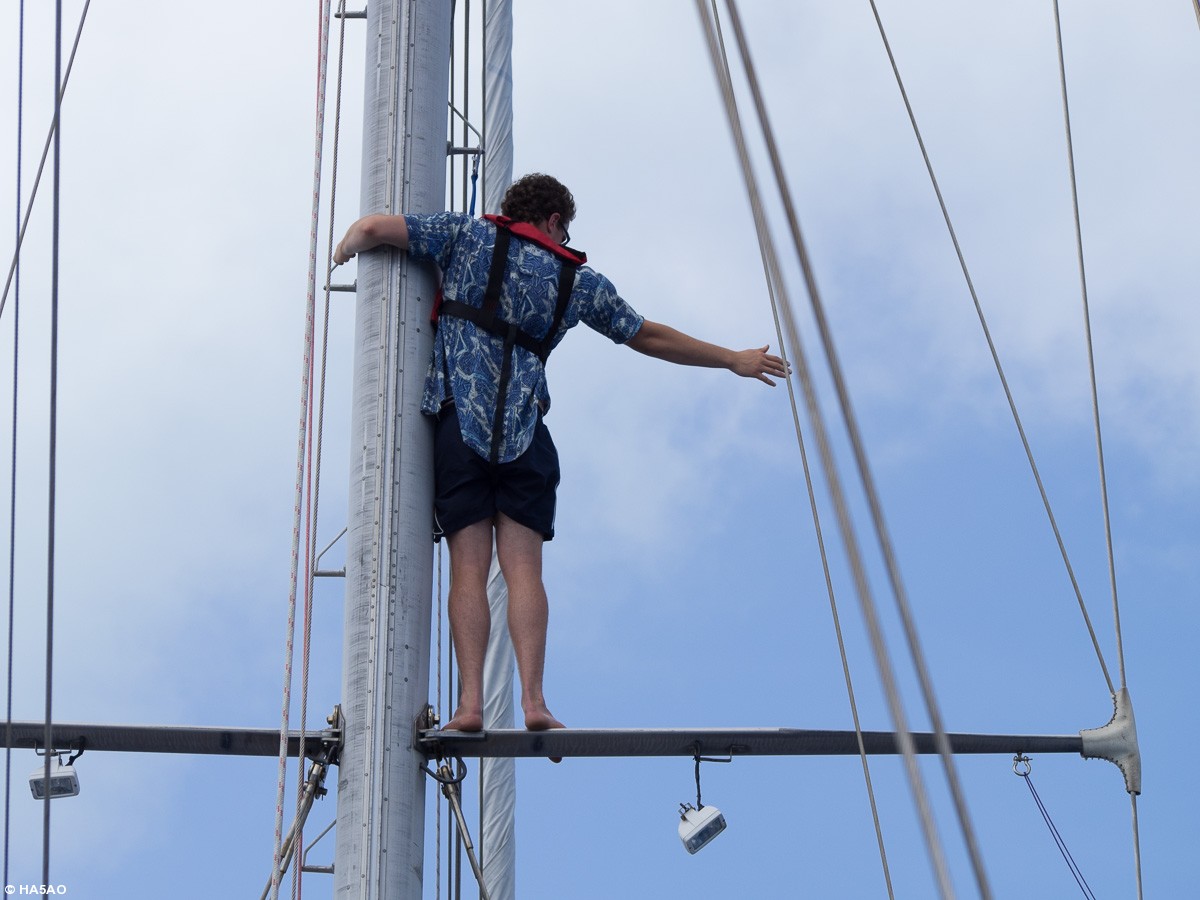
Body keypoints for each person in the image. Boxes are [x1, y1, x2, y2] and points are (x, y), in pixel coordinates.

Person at [334, 173, 788, 736]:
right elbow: (647, 335)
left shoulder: (464, 236)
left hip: (460, 426)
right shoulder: (576, 281)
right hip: (526, 437)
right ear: (554, 221)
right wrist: (732, 359)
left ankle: (470, 705)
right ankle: (534, 701)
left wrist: (347, 245)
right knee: (524, 572)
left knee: (468, 570)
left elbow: (374, 229)